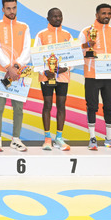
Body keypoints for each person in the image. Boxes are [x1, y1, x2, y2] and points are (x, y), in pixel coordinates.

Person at [77, 3, 111, 151]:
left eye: (109, 13)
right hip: (92, 75)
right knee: (92, 106)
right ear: (97, 15)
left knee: (110, 107)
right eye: (103, 13)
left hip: (110, 75)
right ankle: (92, 138)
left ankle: (109, 138)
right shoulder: (86, 31)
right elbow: (76, 52)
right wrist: (87, 45)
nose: (107, 16)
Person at [0, 0, 31, 152]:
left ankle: (16, 140)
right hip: (1, 73)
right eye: (8, 8)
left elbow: (27, 49)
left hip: (18, 74)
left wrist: (16, 67)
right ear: (3, 9)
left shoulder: (24, 27)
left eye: (14, 8)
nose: (12, 11)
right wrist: (8, 67)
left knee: (18, 108)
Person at [33, 8, 72, 151]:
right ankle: (47, 138)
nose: (58, 19)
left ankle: (59, 138)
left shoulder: (67, 35)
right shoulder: (41, 34)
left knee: (61, 105)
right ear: (48, 18)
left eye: (60, 16)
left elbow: (72, 56)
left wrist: (66, 68)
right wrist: (44, 71)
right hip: (46, 76)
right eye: (54, 16)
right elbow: (36, 56)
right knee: (47, 105)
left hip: (62, 76)